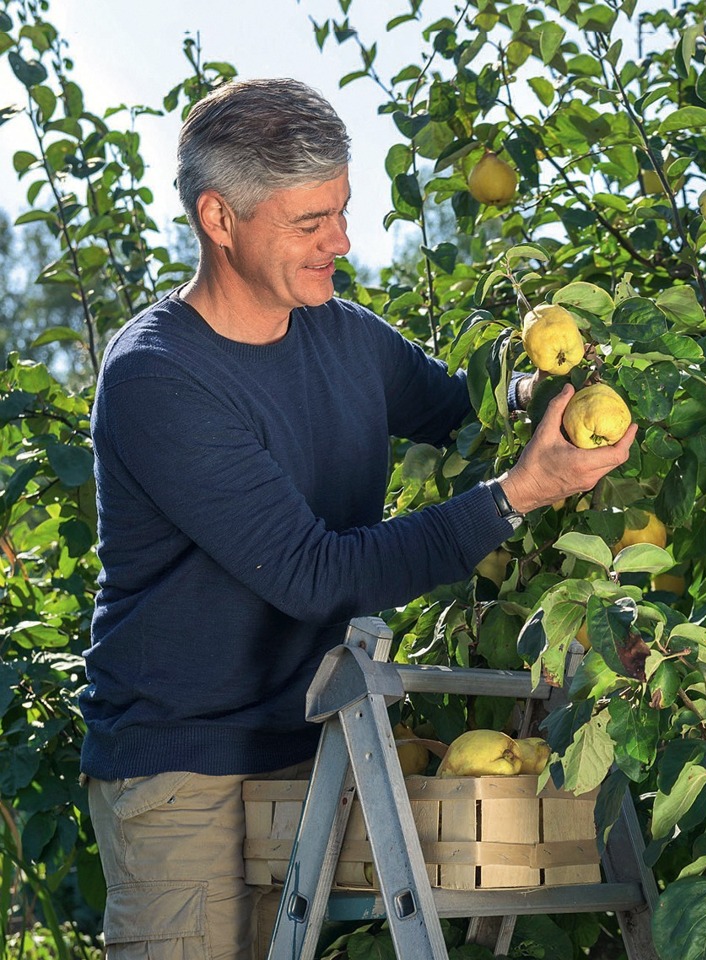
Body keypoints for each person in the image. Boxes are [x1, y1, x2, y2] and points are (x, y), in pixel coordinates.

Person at [79, 77, 636, 959]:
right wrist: (519, 494)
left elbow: (456, 405)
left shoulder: (343, 333)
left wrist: (548, 389)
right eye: (310, 223)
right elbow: (314, 575)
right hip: (183, 767)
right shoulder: (158, 376)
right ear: (219, 220)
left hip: (316, 742)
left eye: (342, 210)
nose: (340, 241)